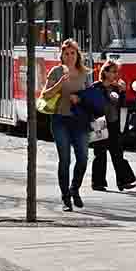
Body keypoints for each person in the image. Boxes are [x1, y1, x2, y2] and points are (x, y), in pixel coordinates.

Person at [42, 39, 92, 209]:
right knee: (65, 160)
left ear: (78, 55)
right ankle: (65, 198)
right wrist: (59, 84)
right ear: (61, 55)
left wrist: (80, 98)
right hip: (60, 120)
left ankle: (74, 189)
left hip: (80, 120)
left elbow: (90, 97)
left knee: (83, 159)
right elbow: (45, 95)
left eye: (73, 53)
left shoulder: (84, 73)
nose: (70, 56)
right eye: (66, 53)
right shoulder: (56, 71)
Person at [89, 61, 135, 192]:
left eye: (116, 72)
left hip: (114, 122)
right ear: (105, 72)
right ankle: (98, 183)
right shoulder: (96, 87)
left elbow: (123, 105)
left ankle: (124, 181)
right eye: (113, 71)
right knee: (100, 153)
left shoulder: (117, 88)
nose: (116, 74)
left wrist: (123, 92)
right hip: (100, 123)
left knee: (118, 152)